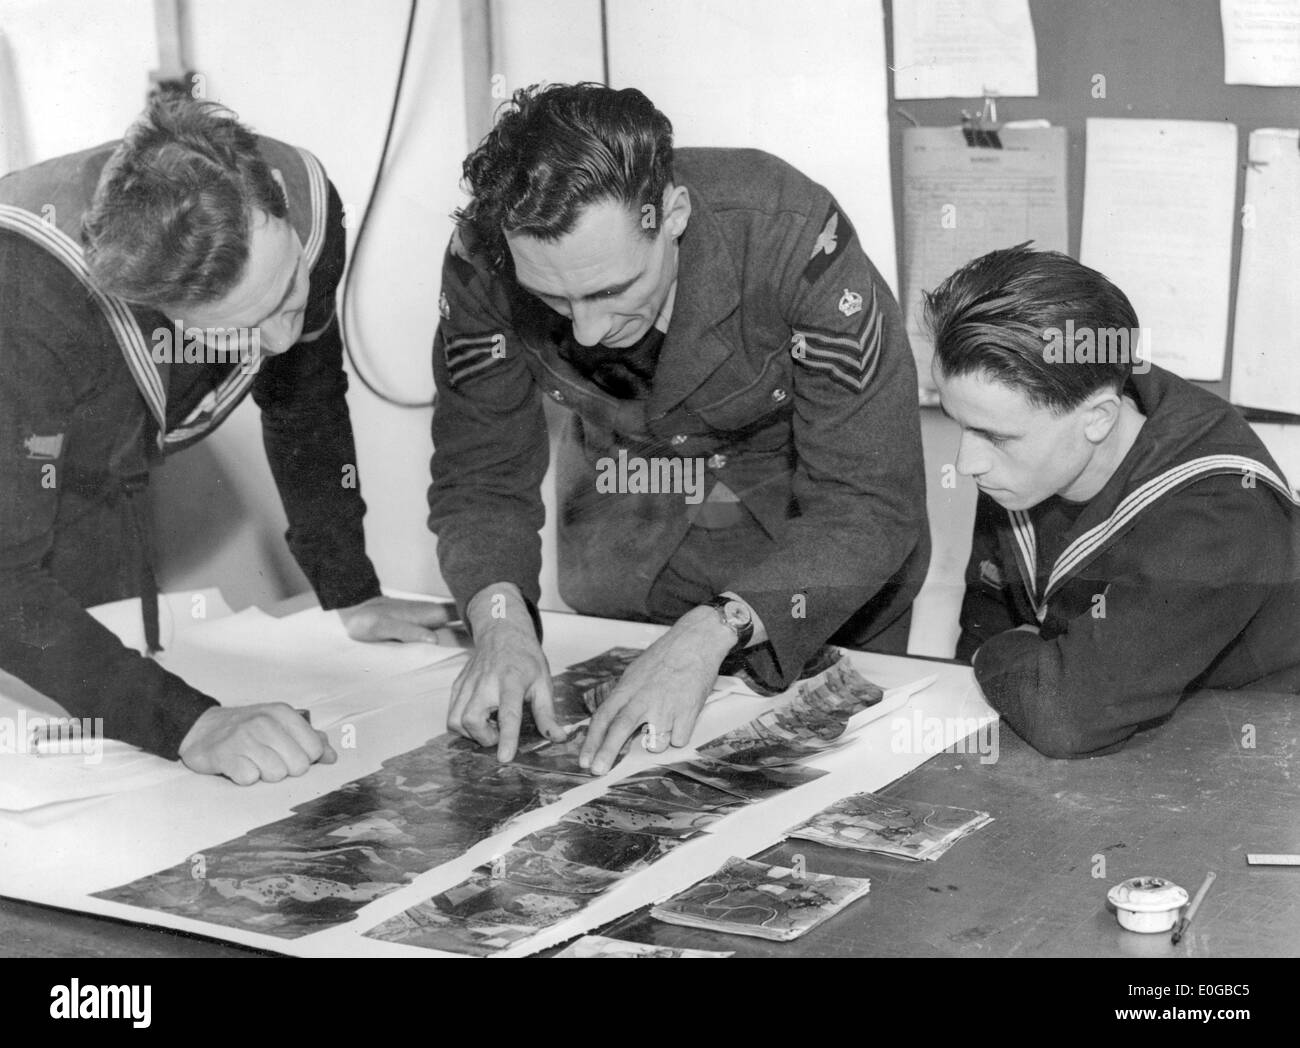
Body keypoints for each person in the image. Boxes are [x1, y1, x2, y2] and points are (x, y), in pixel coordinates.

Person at [428, 83, 929, 774]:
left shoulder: (791, 234)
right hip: (630, 541)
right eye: (551, 297)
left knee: (817, 793)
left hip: (807, 557)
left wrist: (716, 629)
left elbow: (870, 500)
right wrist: (499, 620)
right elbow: (478, 473)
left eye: (610, 290)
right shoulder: (483, 257)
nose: (588, 330)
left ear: (673, 214)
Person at [0, 94, 451, 784]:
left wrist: (350, 589)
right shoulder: (27, 299)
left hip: (89, 468)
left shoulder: (302, 198)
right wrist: (191, 724)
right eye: (237, 330)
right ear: (146, 305)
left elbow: (304, 400)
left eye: (290, 291)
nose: (280, 339)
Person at [925, 244, 1300, 758]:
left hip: (1248, 755)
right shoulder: (1029, 454)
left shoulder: (1221, 511)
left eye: (994, 436)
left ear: (1099, 417)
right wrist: (1031, 656)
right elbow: (988, 614)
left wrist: (1009, 652)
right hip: (1113, 744)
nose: (968, 462)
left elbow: (1067, 717)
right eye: (961, 426)